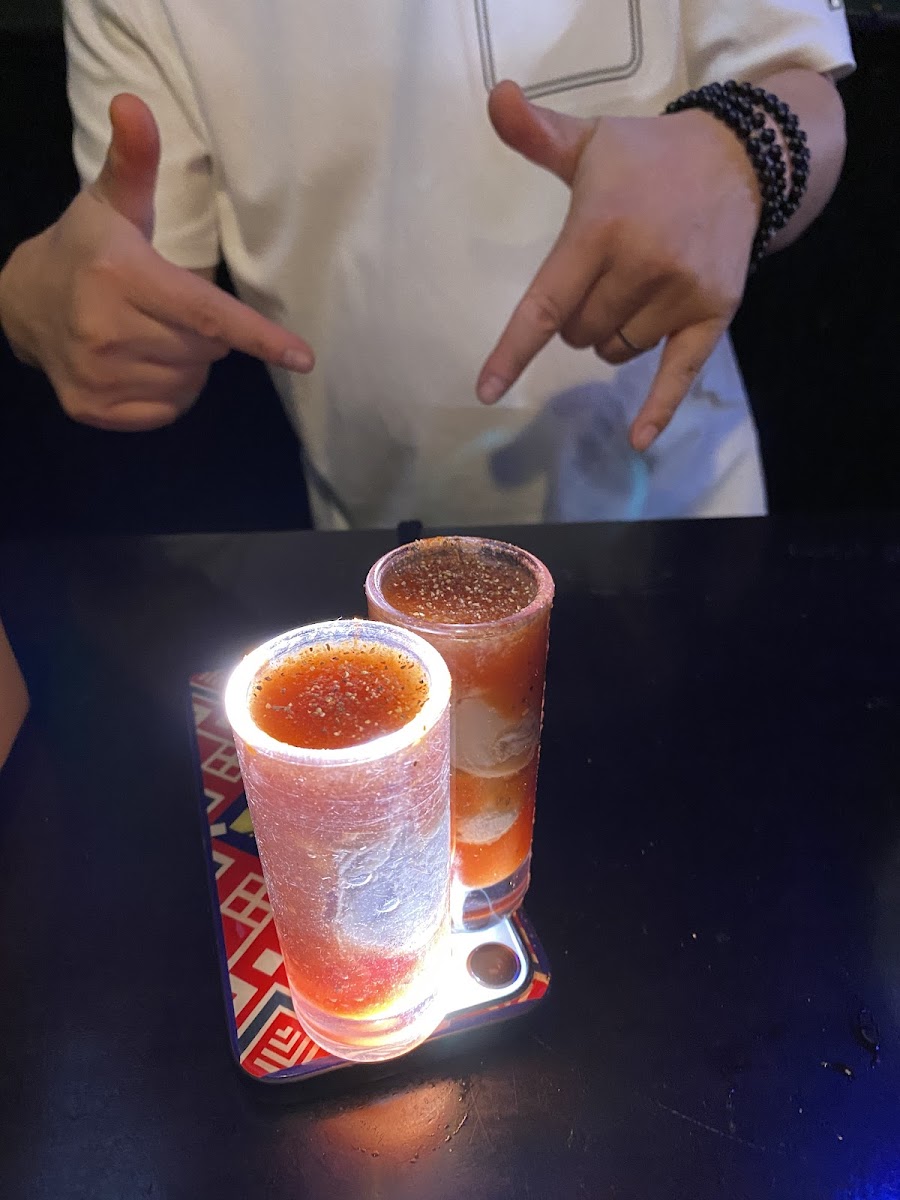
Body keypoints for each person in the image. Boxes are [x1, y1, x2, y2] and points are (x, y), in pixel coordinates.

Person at [0, 2, 853, 529]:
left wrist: (737, 153)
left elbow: (803, 87)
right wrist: (40, 303)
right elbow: (145, 281)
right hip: (378, 552)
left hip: (688, 525)